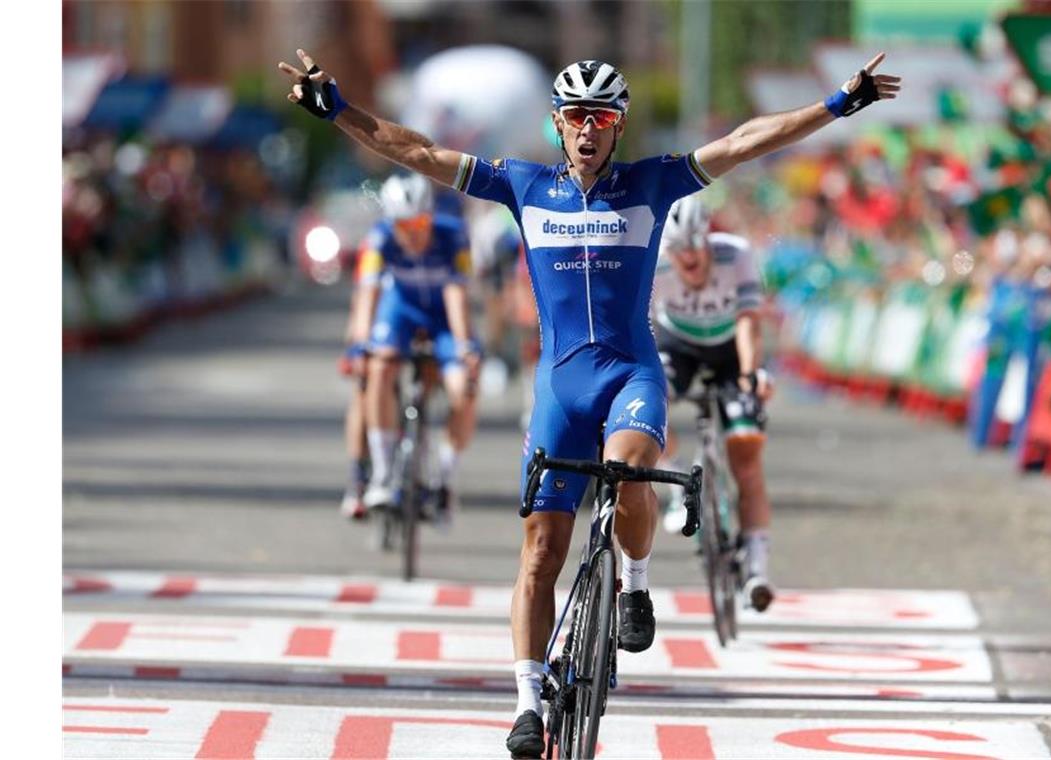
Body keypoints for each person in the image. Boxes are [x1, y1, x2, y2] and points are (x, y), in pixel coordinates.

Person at [277, 48, 900, 758]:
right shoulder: (523, 185)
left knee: (630, 471)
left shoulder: (653, 183)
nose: (587, 130)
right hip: (560, 387)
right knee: (541, 549)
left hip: (631, 374)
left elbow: (745, 142)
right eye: (575, 116)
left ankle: (633, 583)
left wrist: (838, 103)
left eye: (601, 117)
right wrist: (336, 109)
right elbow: (414, 148)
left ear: (618, 126)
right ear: (557, 123)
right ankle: (525, 699)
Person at [651, 195, 776, 612]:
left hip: (728, 350)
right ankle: (673, 487)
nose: (689, 257)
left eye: (695, 246)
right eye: (678, 250)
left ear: (709, 239)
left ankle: (757, 566)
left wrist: (749, 374)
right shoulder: (654, 264)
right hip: (678, 345)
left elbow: (748, 323)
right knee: (650, 404)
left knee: (746, 453)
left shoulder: (735, 255)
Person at [357, 173, 481, 522]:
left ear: (431, 214)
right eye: (403, 224)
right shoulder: (379, 237)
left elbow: (457, 294)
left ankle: (444, 478)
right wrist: (362, 343)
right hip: (401, 311)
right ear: (391, 222)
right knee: (380, 368)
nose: (413, 232)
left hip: (444, 317)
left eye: (421, 222)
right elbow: (369, 293)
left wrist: (464, 346)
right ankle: (382, 472)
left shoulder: (454, 234)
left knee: (465, 390)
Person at [335, 226, 386, 520]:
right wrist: (354, 345)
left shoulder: (437, 240)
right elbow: (362, 299)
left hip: (415, 321)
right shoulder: (376, 245)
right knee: (363, 390)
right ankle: (357, 477)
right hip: (376, 320)